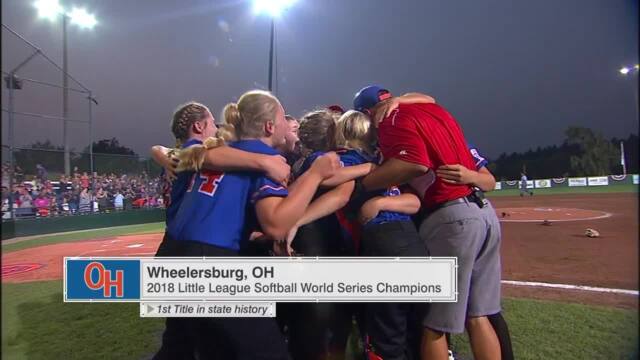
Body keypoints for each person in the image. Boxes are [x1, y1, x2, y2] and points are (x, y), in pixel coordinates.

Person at [165, 90, 339, 359]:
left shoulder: (220, 151)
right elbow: (276, 225)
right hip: (211, 262)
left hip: (176, 256)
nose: (286, 124)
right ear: (270, 125)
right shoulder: (264, 160)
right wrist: (315, 175)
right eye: (283, 118)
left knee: (203, 351)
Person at [355, 85, 504, 360]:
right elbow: (429, 97)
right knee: (478, 315)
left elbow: (414, 164)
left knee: (434, 324)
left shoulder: (389, 119)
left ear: (367, 113)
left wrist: (364, 184)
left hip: (452, 218)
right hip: (485, 214)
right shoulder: (430, 111)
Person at [150, 100, 293, 360]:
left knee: (185, 343)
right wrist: (266, 161)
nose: (216, 129)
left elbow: (165, 150)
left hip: (176, 246)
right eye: (211, 124)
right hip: (206, 250)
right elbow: (276, 223)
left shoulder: (197, 154)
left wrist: (158, 152)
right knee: (264, 349)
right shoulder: (212, 153)